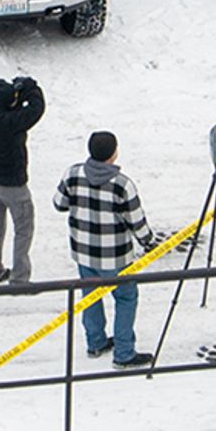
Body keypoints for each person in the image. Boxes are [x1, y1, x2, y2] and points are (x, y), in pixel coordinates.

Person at [52, 128, 157, 369]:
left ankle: (96, 342)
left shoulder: (73, 174)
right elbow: (136, 221)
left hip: (83, 253)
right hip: (116, 257)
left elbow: (59, 204)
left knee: (90, 296)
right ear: (113, 154)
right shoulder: (122, 185)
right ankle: (124, 352)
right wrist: (149, 241)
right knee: (125, 297)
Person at [0, 74, 46, 288]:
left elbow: (12, 110)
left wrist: (14, 95)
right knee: (23, 229)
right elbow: (36, 109)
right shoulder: (11, 122)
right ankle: (20, 278)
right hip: (12, 185)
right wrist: (31, 88)